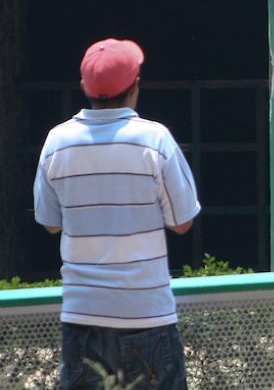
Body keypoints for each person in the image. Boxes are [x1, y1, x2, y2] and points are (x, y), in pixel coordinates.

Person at [33, 38, 201, 389]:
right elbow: (183, 221)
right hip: (148, 314)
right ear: (135, 86)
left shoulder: (56, 142)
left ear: (84, 87)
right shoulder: (155, 140)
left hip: (82, 317)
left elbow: (50, 223)